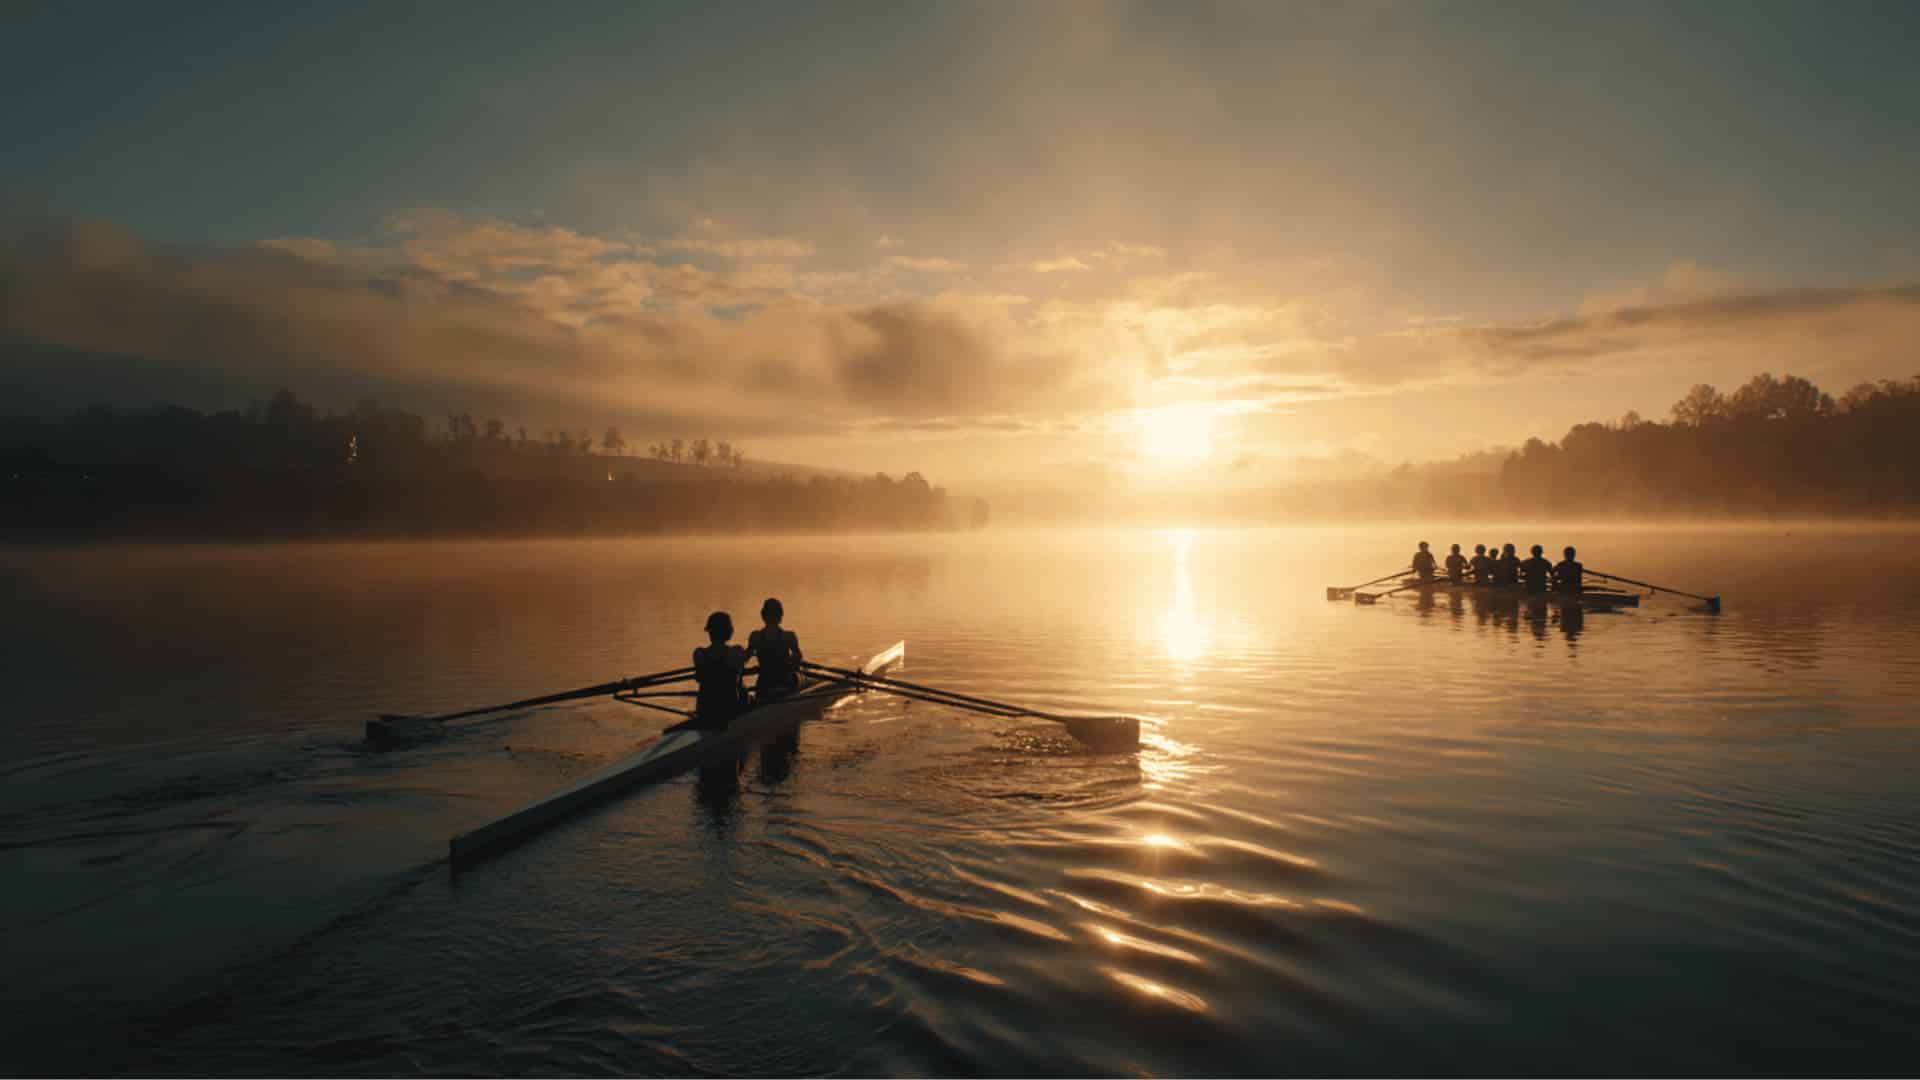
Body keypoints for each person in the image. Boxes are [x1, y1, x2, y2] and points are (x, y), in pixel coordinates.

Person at [693, 611, 749, 729]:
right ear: (729, 632)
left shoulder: (699, 654)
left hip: (705, 709)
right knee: (742, 687)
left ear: (709, 632)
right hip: (730, 710)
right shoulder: (736, 651)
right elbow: (743, 661)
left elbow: (700, 676)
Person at [746, 597, 803, 702]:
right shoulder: (789, 637)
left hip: (763, 685)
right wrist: (792, 663)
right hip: (785, 684)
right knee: (798, 675)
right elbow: (798, 659)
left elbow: (744, 659)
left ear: (763, 616)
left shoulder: (755, 637)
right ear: (781, 616)